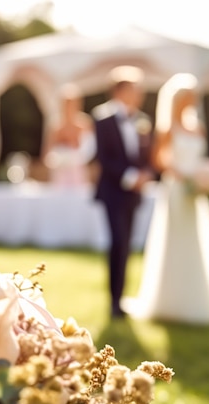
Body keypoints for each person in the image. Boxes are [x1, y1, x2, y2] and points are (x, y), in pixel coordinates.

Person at [123, 73, 209, 325]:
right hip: (177, 189)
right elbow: (158, 161)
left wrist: (204, 176)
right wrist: (184, 176)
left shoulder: (198, 127)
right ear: (179, 100)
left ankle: (198, 297)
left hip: (195, 193)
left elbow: (199, 158)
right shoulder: (168, 130)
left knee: (196, 240)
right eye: (190, 97)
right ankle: (171, 300)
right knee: (176, 241)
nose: (193, 101)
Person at [92, 66, 154, 318]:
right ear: (120, 90)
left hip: (134, 194)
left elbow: (147, 154)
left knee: (127, 244)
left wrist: (147, 173)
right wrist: (130, 177)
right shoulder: (103, 118)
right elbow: (103, 158)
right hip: (113, 191)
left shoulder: (142, 120)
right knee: (117, 242)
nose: (139, 94)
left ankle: (122, 299)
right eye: (134, 89)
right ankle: (114, 301)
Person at [43, 84, 96, 187]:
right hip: (59, 173)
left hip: (78, 172)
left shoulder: (85, 124)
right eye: (66, 104)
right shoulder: (55, 125)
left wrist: (75, 158)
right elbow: (47, 152)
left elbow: (90, 149)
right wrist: (57, 159)